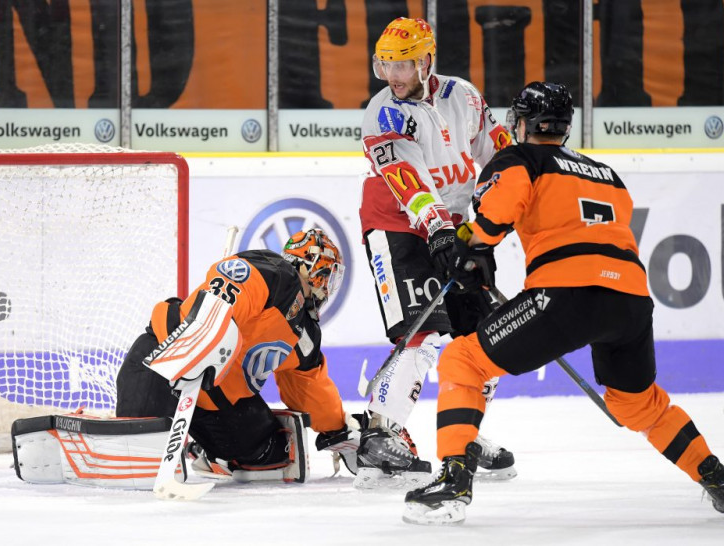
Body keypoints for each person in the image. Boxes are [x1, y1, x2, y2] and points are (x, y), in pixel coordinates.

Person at [403, 81, 724, 524]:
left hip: (565, 295)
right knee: (638, 404)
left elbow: (495, 215)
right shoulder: (607, 174)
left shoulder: (519, 158)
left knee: (463, 361)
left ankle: (455, 480)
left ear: (522, 123)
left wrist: (467, 246)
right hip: (630, 299)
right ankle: (715, 477)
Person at [357, 16, 516, 488]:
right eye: (386, 64)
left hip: (456, 227)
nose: (394, 76)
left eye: (404, 64)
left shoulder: (464, 96)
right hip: (398, 226)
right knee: (423, 332)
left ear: (428, 60)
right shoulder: (381, 113)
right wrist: (440, 231)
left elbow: (498, 155)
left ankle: (462, 433)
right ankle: (380, 436)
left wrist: (503, 207)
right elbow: (411, 183)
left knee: (485, 334)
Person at [115, 228, 361, 481]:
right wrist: (202, 340)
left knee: (275, 453)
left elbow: (310, 391)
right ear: (314, 269)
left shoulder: (306, 334)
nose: (326, 288)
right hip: (163, 360)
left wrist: (338, 430)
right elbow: (232, 285)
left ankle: (205, 451)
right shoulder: (274, 272)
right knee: (137, 461)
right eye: (328, 277)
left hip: (215, 399)